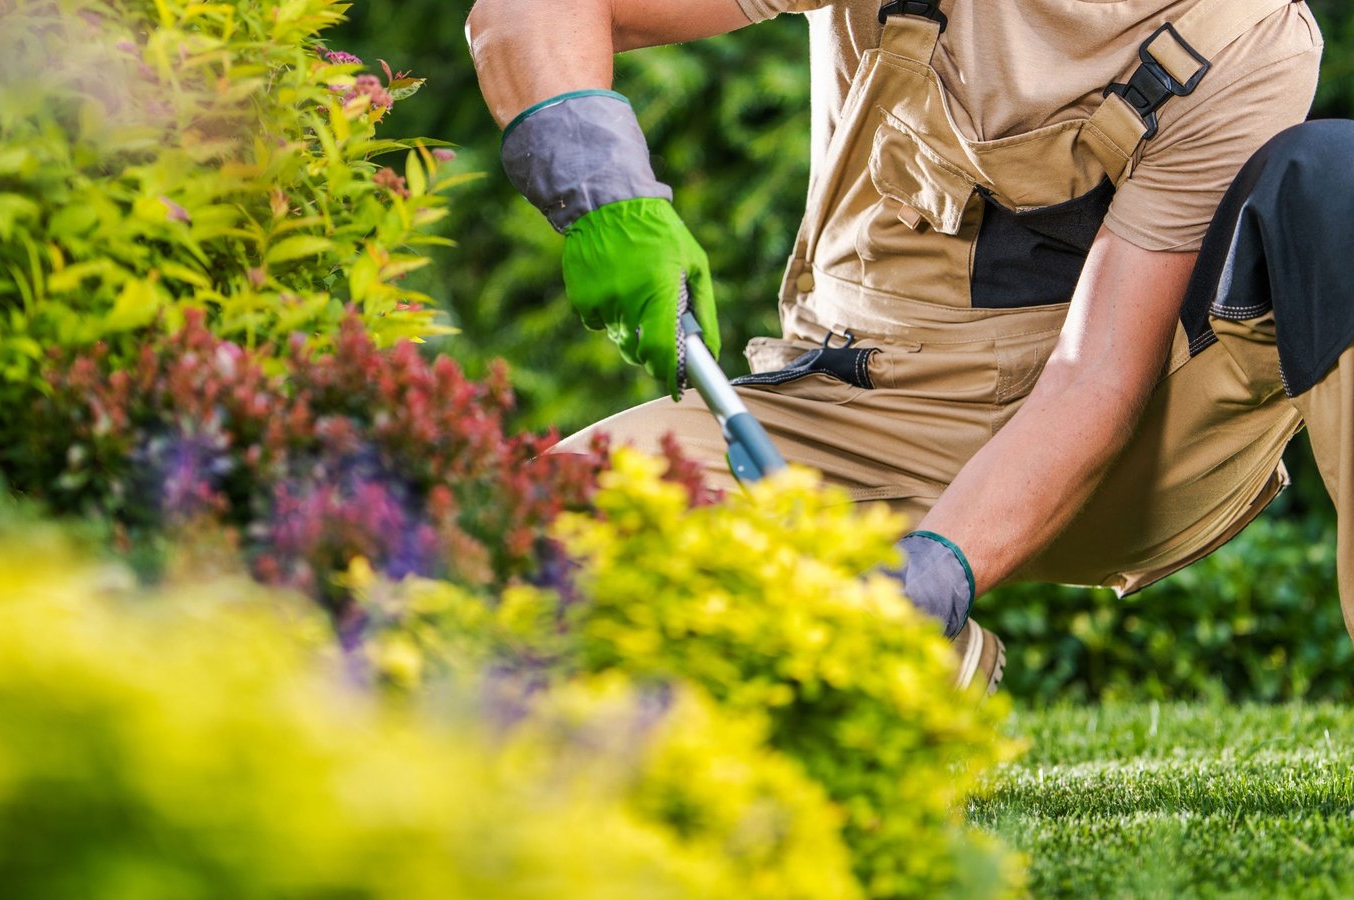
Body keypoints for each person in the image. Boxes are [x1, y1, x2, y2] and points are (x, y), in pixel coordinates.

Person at [466, 0, 1343, 694]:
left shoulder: (1250, 37)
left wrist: (939, 568)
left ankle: (906, 617)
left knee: (1337, 185)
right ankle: (912, 666)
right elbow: (531, 9)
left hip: (1133, 445)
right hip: (858, 406)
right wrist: (603, 188)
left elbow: (1097, 378)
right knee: (513, 549)